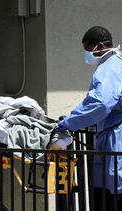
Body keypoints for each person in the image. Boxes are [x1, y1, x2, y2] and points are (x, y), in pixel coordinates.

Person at [58, 26, 122, 210]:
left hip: (116, 137)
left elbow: (100, 104)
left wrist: (68, 123)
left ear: (100, 46)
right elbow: (91, 102)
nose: (88, 56)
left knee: (112, 196)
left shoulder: (109, 68)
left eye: (89, 51)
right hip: (111, 134)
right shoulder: (117, 63)